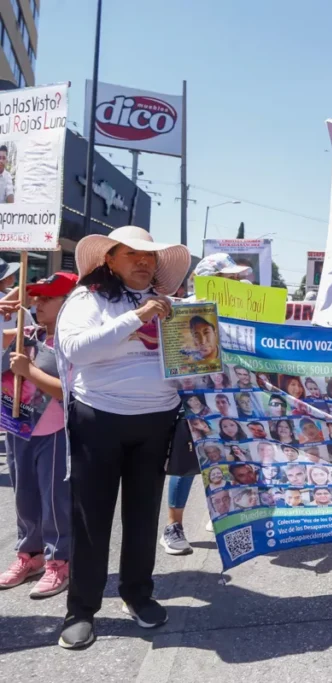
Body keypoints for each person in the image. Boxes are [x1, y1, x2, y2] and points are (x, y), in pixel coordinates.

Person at [56, 225, 190, 649]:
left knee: (143, 514)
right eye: (132, 254)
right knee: (91, 517)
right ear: (109, 259)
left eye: (149, 256)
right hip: (100, 418)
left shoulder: (171, 305)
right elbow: (76, 349)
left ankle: (137, 593)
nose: (143, 261)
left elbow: (194, 358)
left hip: (156, 421)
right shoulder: (87, 298)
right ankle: (81, 609)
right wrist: (139, 317)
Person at [0, 272, 77, 599]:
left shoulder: (74, 341)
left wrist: (28, 372)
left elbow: (69, 392)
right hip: (19, 429)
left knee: (55, 498)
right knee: (24, 495)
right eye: (37, 297)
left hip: (55, 432)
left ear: (70, 303)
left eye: (49, 298)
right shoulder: (27, 333)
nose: (39, 303)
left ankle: (59, 559)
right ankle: (28, 553)